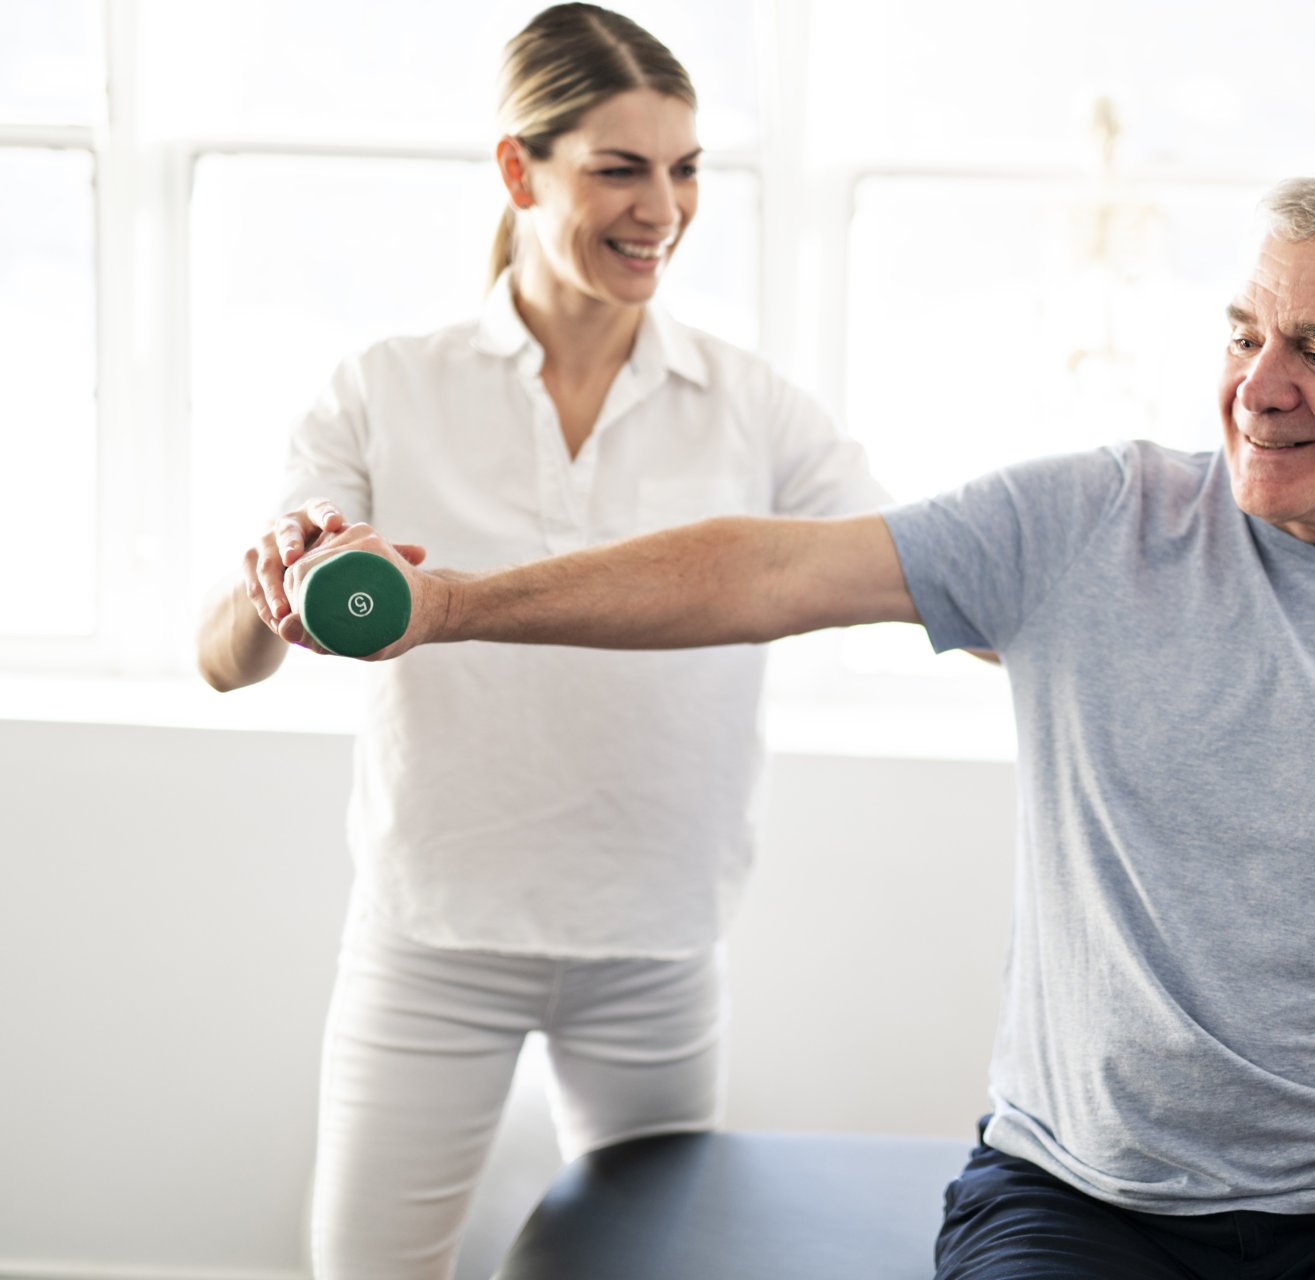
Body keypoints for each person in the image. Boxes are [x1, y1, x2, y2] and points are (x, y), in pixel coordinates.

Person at [273, 172, 1315, 1280]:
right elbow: (769, 567)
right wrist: (450, 604)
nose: (1261, 386)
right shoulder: (1093, 523)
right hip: (1083, 1198)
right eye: (1248, 333)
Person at [193, 6, 885, 1277]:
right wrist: (270, 587)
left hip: (655, 939)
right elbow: (226, 657)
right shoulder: (386, 387)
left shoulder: (752, 408)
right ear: (520, 171)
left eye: (685, 170)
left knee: (661, 1265)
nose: (663, 208)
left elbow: (907, 567)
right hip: (433, 936)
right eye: (620, 167)